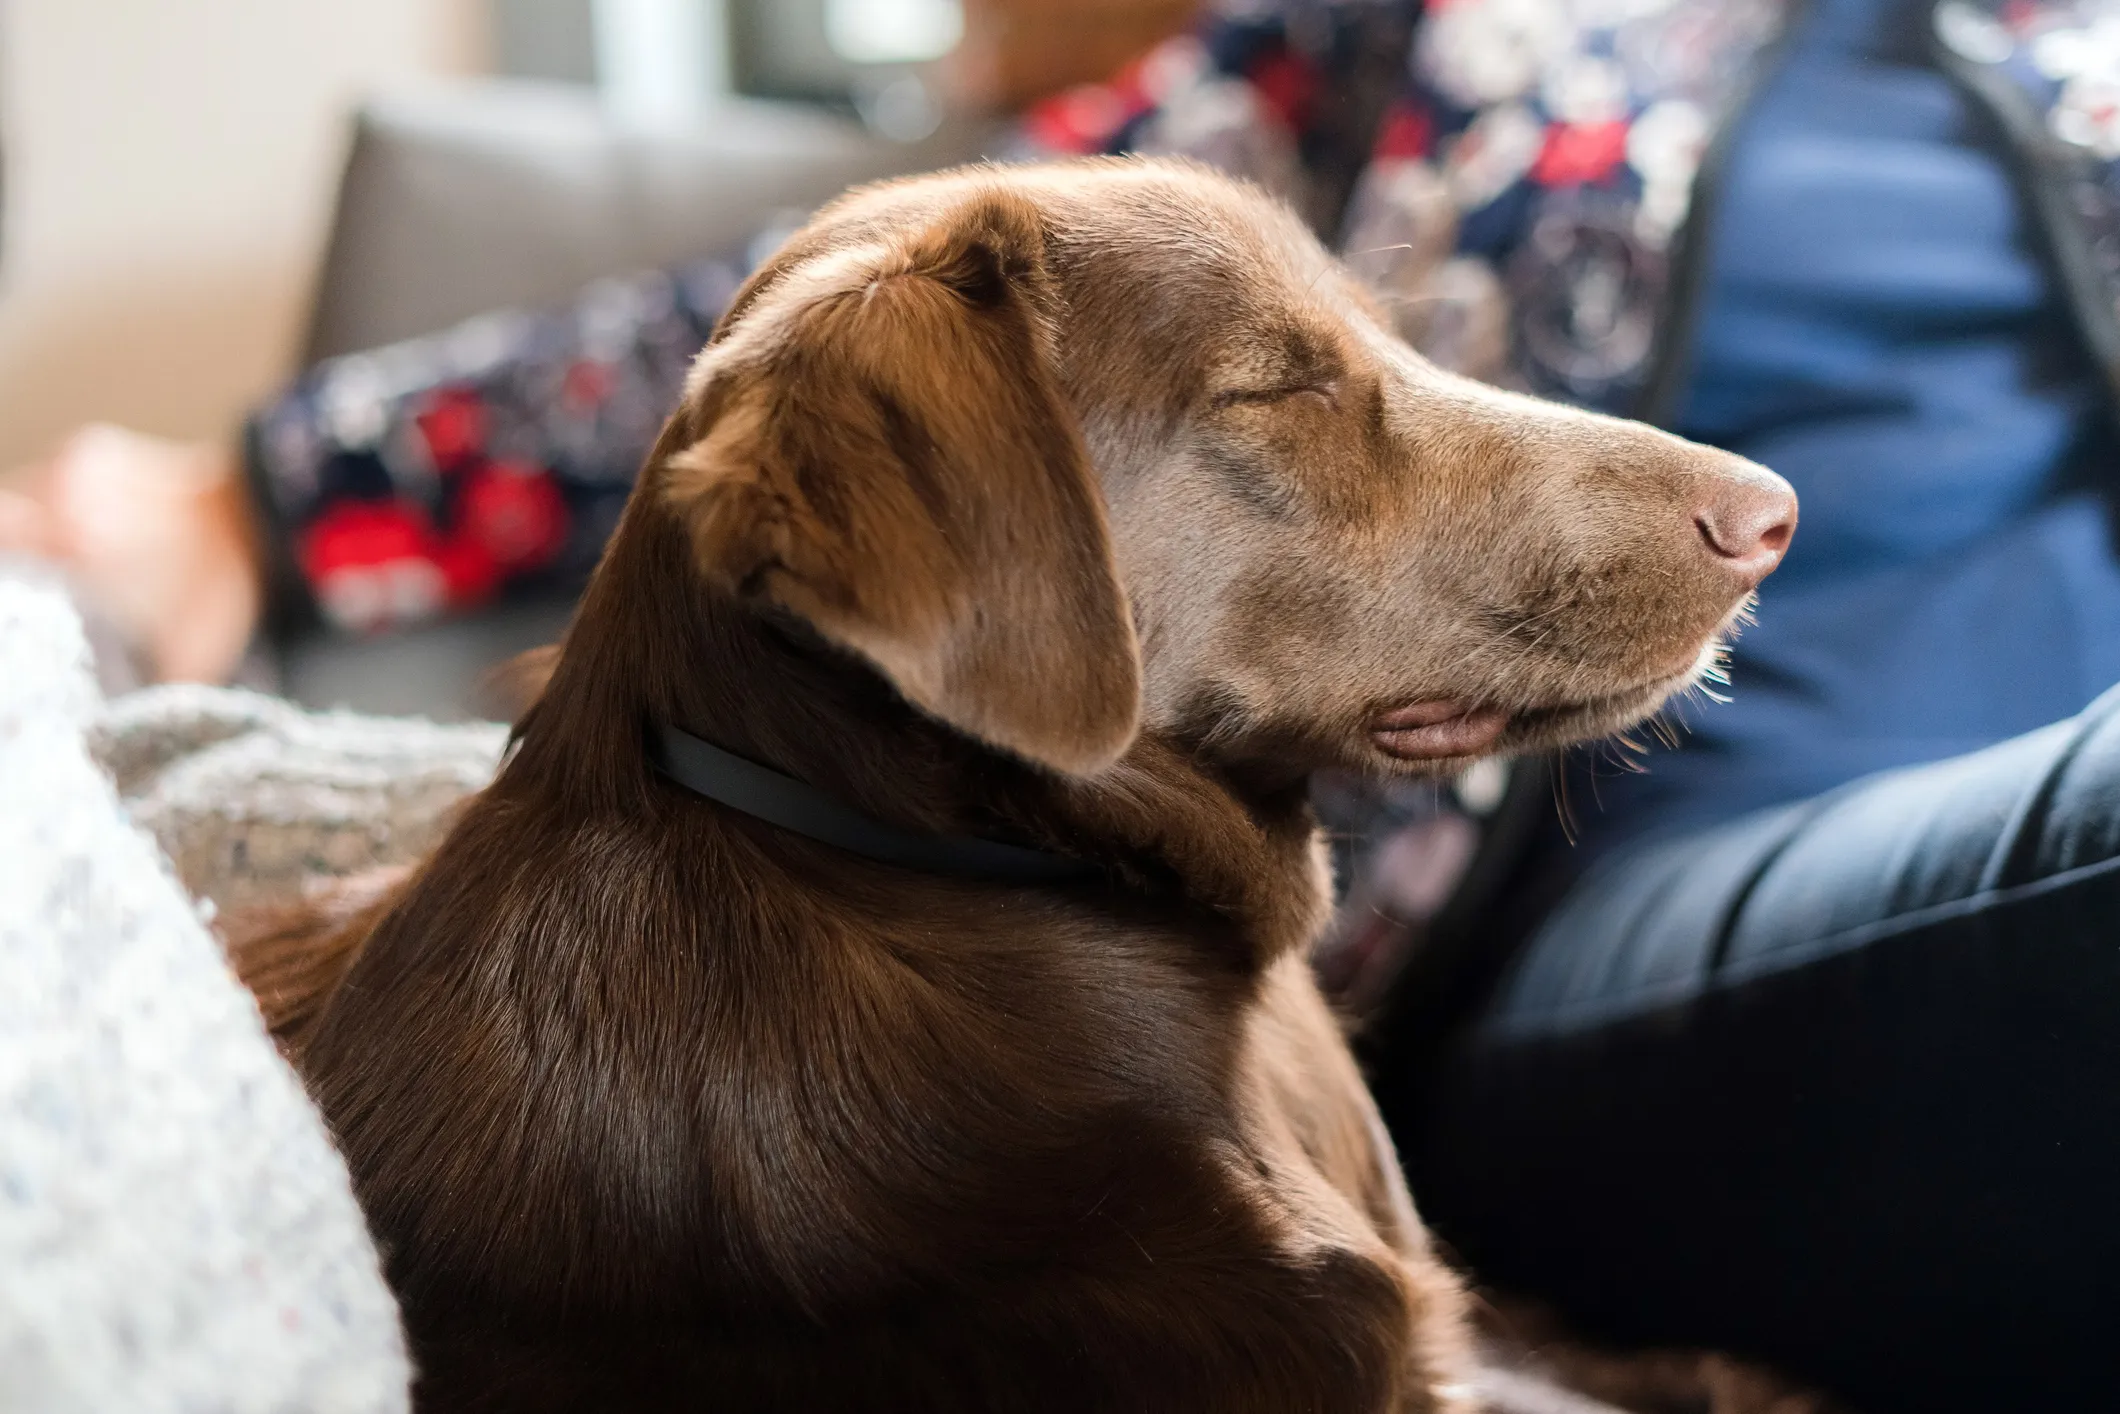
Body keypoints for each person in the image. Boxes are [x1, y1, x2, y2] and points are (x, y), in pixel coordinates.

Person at [7, 0, 2120, 1408]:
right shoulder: (1496, 30)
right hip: (1587, 906)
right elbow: (959, 295)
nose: (1754, 517)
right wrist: (274, 489)